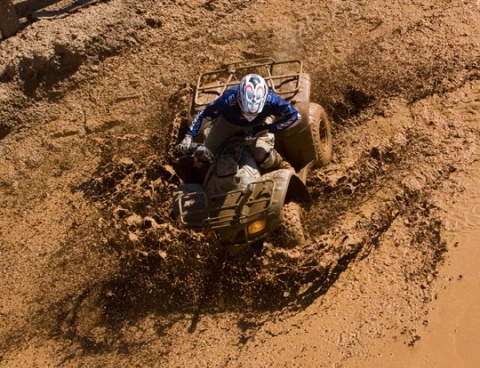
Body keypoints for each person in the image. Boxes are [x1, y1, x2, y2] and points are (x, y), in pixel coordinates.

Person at [176, 74, 301, 170]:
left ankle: (281, 163)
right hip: (227, 124)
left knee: (263, 157)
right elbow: (204, 114)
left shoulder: (273, 100)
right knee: (202, 159)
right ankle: (205, 176)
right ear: (239, 97)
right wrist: (188, 137)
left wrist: (270, 128)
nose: (250, 114)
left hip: (258, 125)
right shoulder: (228, 98)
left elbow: (295, 116)